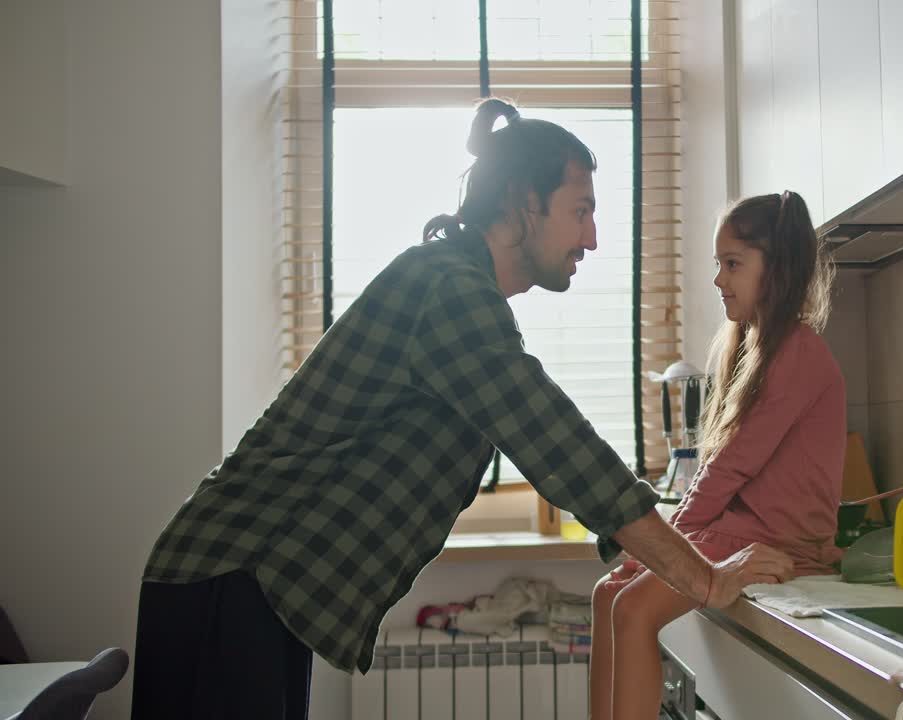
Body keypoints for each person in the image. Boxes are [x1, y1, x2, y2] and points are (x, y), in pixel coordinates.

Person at [129, 99, 794, 720]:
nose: (592, 237)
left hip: (253, 585)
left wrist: (658, 543)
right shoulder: (447, 288)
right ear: (525, 201)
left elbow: (559, 454)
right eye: (580, 210)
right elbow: (553, 441)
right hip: (232, 576)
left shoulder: (459, 289)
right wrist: (703, 579)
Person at [589, 191, 846, 720]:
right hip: (740, 532)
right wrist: (668, 546)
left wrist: (668, 546)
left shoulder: (799, 352)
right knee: (606, 593)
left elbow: (730, 467)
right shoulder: (756, 349)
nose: (718, 279)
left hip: (776, 543)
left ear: (776, 269)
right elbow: (722, 471)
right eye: (719, 264)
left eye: (732, 264)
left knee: (633, 608)